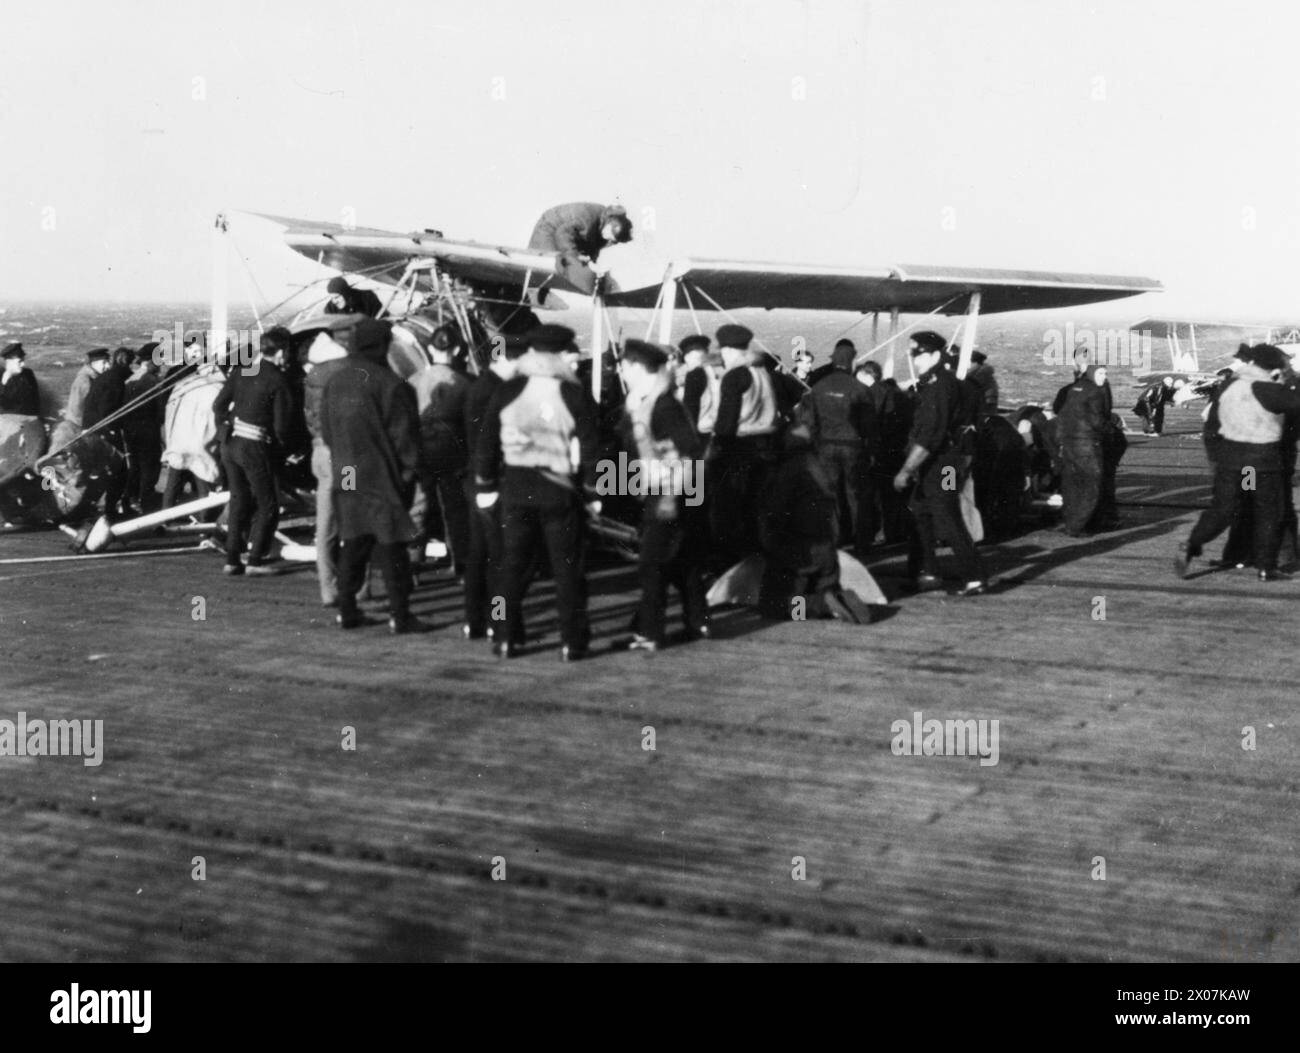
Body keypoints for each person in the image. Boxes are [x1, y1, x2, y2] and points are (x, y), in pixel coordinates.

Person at [474, 323, 599, 660]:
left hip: (515, 489)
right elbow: (591, 449)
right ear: (560, 354)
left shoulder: (507, 390)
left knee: (509, 570)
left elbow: (486, 443)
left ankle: (503, 635)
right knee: (567, 571)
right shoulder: (574, 393)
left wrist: (485, 484)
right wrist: (592, 492)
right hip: (558, 492)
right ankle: (572, 641)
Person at [320, 318, 424, 632]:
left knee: (352, 542)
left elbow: (326, 432)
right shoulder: (391, 383)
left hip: (347, 473)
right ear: (381, 345)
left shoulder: (335, 382)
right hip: (383, 476)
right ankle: (400, 615)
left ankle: (347, 610)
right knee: (392, 547)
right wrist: (409, 475)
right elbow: (405, 439)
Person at [1176, 344, 1300, 582]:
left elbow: (1212, 422)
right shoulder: (1268, 389)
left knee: (1223, 510)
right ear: (1272, 367)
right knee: (1267, 513)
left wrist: (1216, 454)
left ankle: (1191, 544)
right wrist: (1289, 376)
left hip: (1233, 462)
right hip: (1260, 463)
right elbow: (1296, 402)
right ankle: (1266, 567)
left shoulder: (1229, 385)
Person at [618, 339, 709, 651]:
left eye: (625, 366)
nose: (621, 371)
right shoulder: (649, 401)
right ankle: (699, 621)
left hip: (668, 493)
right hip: (674, 490)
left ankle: (651, 631)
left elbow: (691, 450)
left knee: (652, 563)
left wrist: (671, 495)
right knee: (684, 560)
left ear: (638, 368)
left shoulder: (663, 404)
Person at [894, 331, 987, 596]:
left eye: (917, 353)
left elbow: (931, 435)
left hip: (945, 462)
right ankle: (929, 571)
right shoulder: (938, 383)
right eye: (912, 353)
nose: (913, 359)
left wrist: (906, 470)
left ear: (935, 355)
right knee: (919, 511)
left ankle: (974, 577)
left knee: (946, 513)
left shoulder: (939, 385)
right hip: (941, 460)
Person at [212, 326, 294, 576]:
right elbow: (282, 427)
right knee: (268, 503)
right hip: (255, 447)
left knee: (238, 500)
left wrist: (232, 423)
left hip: (230, 445)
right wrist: (286, 451)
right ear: (281, 352)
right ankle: (255, 560)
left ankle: (232, 559)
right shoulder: (278, 380)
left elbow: (218, 405)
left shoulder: (243, 370)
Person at [758, 423, 853, 621]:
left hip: (802, 553)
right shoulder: (822, 465)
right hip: (828, 550)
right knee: (816, 586)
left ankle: (818, 604)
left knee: (773, 606)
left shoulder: (789, 470)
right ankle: (829, 597)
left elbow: (775, 511)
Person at [461, 335, 521, 639]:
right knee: (498, 558)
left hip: (477, 479)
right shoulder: (494, 392)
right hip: (491, 481)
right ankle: (495, 618)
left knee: (480, 554)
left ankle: (475, 619)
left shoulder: (481, 386)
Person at [709, 323, 784, 567]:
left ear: (728, 349)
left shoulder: (734, 376)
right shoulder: (763, 372)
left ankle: (729, 568)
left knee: (729, 512)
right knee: (758, 511)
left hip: (739, 449)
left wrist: (715, 449)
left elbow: (726, 422)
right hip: (767, 448)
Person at [302, 320, 364, 606]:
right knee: (352, 515)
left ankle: (328, 588)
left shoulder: (314, 373)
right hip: (348, 455)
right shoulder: (350, 371)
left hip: (320, 453)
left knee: (325, 522)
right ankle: (359, 586)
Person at [801, 340, 877, 558]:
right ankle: (862, 545)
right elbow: (870, 426)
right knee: (857, 497)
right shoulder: (860, 389)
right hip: (853, 448)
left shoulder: (818, 388)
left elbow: (809, 422)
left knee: (829, 496)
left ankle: (832, 543)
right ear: (851, 362)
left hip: (825, 447)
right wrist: (871, 451)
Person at [409, 324, 472, 574]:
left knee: (417, 508)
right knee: (455, 512)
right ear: (456, 349)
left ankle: (412, 563)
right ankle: (461, 566)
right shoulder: (464, 383)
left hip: (419, 453)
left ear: (430, 348)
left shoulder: (414, 381)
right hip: (452, 455)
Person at [161, 345, 223, 509]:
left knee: (173, 483)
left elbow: (170, 412)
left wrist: (169, 440)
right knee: (203, 481)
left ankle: (162, 520)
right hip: (199, 443)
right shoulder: (216, 388)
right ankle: (205, 522)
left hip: (179, 440)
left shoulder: (184, 385)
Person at [527, 202, 633, 297]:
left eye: (613, 240)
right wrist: (576, 256)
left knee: (576, 266)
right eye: (609, 235)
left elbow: (592, 247)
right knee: (553, 266)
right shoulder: (587, 220)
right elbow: (562, 234)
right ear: (610, 223)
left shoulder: (604, 227)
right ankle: (531, 294)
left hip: (567, 233)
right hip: (550, 227)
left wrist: (591, 264)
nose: (608, 239)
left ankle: (540, 292)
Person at [1055, 364, 1110, 536]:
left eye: (1105, 373)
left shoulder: (1074, 389)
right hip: (1087, 442)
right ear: (1093, 373)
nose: (1104, 377)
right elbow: (1097, 419)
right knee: (1091, 484)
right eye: (1101, 373)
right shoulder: (1096, 391)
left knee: (1071, 483)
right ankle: (1078, 525)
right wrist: (1109, 429)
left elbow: (1062, 412)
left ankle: (1070, 521)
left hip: (1069, 442)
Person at [120, 345, 164, 515]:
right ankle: (147, 502)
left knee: (135, 467)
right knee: (150, 467)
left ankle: (129, 500)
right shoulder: (153, 381)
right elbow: (160, 411)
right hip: (148, 429)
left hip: (130, 429)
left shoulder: (131, 379)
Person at [676, 333, 720, 438]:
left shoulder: (694, 374)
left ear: (687, 357)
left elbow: (690, 407)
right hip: (717, 427)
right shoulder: (713, 370)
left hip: (701, 430)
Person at [0, 343, 40, 417]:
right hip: (6, 421)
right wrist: (4, 382)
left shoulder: (28, 374)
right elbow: (3, 404)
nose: (23, 364)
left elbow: (36, 401)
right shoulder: (1, 375)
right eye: (19, 361)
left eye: (23, 360)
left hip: (29, 420)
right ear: (9, 362)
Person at [966, 350, 999, 417]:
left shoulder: (979, 374)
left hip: (986, 404)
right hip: (987, 402)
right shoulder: (981, 371)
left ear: (974, 363)